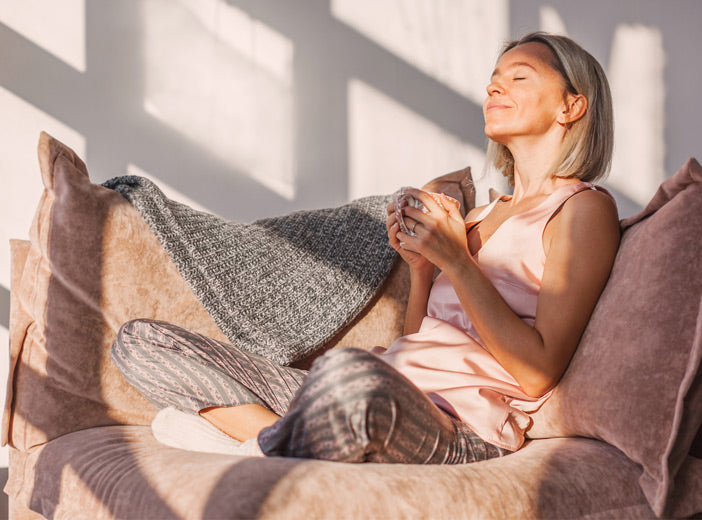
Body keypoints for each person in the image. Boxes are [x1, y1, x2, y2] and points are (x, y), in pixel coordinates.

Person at [111, 31, 619, 463]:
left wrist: (458, 263)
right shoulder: (480, 215)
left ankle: (263, 449)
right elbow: (421, 340)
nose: (494, 85)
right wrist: (423, 269)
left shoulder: (583, 209)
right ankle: (286, 443)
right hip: (380, 389)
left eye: (519, 76)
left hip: (457, 426)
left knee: (346, 372)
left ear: (572, 105)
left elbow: (537, 373)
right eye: (494, 76)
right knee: (140, 341)